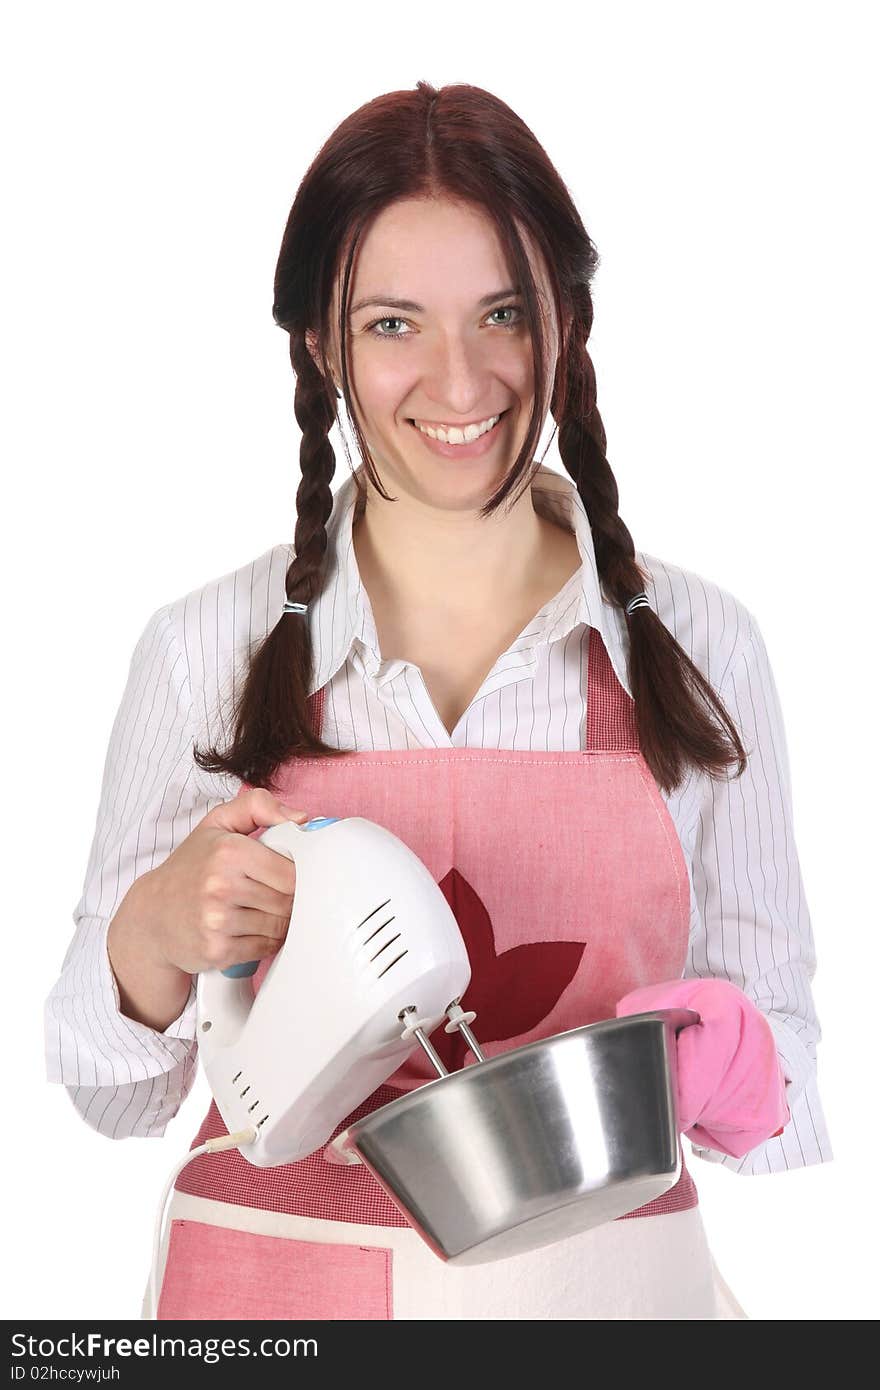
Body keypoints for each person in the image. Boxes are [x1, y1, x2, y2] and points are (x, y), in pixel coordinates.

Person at [43, 80, 833, 1320]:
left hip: (610, 1302)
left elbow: (779, 1068)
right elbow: (111, 1093)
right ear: (321, 343)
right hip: (276, 1308)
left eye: (501, 313)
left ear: (566, 321)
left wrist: (738, 1061)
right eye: (394, 324)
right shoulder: (207, 647)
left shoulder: (698, 648)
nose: (458, 381)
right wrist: (151, 931)